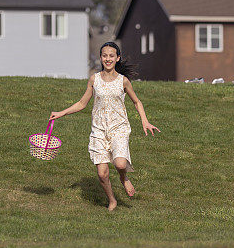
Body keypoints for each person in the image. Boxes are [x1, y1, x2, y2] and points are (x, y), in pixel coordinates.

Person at [50, 42, 160, 211]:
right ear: (101, 58)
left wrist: (145, 121)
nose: (108, 59)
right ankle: (112, 200)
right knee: (102, 173)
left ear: (117, 58)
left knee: (120, 164)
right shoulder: (94, 79)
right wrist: (61, 113)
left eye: (111, 56)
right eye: (104, 55)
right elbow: (82, 103)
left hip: (119, 128)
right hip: (99, 130)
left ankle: (123, 178)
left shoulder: (124, 81)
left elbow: (137, 102)